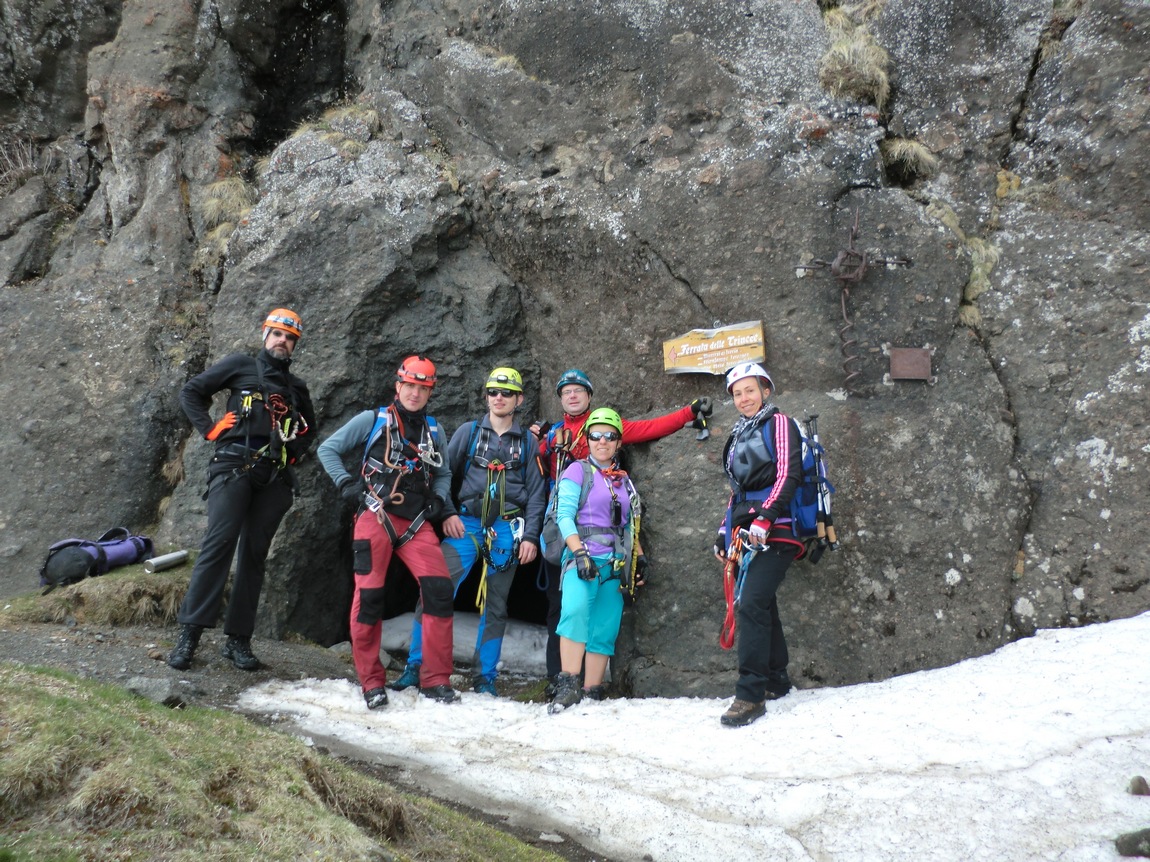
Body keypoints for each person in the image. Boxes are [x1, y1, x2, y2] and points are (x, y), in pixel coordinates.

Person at [534, 369, 711, 689]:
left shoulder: (610, 431)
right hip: (565, 530)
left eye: (578, 390)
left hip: (606, 543)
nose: (572, 395)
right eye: (566, 391)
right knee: (562, 608)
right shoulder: (552, 435)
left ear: (589, 396)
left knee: (599, 617)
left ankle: (588, 686)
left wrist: (688, 412)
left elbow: (650, 428)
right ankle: (559, 680)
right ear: (559, 398)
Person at [168, 308, 316, 672]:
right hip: (234, 466)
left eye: (290, 338)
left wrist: (293, 452)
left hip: (274, 476)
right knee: (219, 544)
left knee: (254, 555)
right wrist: (210, 428)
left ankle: (238, 641)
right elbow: (192, 391)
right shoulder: (240, 366)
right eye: (277, 334)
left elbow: (309, 428)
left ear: (295, 344)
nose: (282, 341)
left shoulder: (296, 388)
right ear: (265, 334)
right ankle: (189, 635)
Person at [388, 367, 547, 696]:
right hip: (467, 523)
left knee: (496, 604)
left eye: (506, 393)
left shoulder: (527, 443)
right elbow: (442, 475)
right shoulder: (469, 432)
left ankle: (484, 677)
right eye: (493, 392)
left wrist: (531, 536)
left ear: (519, 399)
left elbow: (536, 494)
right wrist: (446, 513)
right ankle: (416, 665)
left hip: (507, 529)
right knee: (435, 589)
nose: (498, 398)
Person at [316, 356, 460, 709]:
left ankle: (436, 680)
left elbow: (443, 472)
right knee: (368, 598)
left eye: (422, 388)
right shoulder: (373, 420)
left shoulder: (434, 431)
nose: (415, 393)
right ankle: (371, 683)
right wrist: (346, 484)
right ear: (398, 386)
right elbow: (328, 449)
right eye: (409, 386)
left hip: (416, 523)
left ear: (430, 393)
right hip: (375, 516)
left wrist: (439, 500)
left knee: (439, 592)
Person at [713, 362, 805, 727]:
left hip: (777, 529)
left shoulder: (779, 423)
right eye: (737, 393)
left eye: (750, 390)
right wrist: (724, 531)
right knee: (761, 602)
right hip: (747, 531)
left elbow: (788, 473)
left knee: (750, 603)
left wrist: (766, 517)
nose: (744, 398)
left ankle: (750, 695)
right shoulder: (739, 433)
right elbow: (738, 491)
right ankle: (776, 679)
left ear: (765, 391)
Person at [548, 408, 648, 712]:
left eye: (609, 436)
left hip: (615, 564)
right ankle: (568, 684)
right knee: (574, 611)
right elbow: (564, 516)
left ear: (618, 442)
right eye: (595, 435)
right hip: (583, 557)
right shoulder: (577, 471)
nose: (602, 441)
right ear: (587, 439)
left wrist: (639, 558)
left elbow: (630, 525)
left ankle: (592, 690)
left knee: (606, 625)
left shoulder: (623, 481)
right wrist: (578, 552)